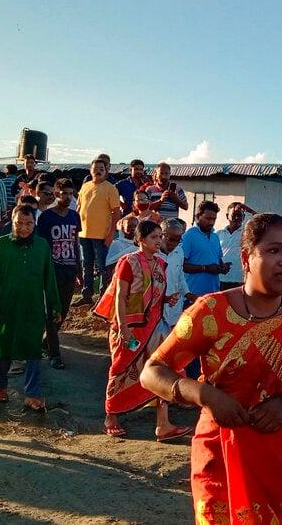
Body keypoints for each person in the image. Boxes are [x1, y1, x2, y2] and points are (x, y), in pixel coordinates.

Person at [141, 213, 282, 523]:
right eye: (273, 251)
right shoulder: (212, 311)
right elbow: (152, 371)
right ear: (246, 258)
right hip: (221, 452)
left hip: (280, 455)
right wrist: (205, 395)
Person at [94, 219, 190, 440]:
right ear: (141, 240)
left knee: (161, 370)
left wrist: (167, 298)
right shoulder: (128, 262)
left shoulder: (160, 264)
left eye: (160, 237)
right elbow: (120, 297)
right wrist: (124, 331)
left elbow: (151, 296)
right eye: (154, 237)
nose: (159, 241)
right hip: (129, 327)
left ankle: (163, 424)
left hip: (155, 327)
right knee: (120, 370)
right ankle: (111, 417)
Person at [0, 204, 61, 411]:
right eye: (19, 223)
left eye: (28, 224)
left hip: (33, 306)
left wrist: (55, 306)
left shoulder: (42, 246)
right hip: (5, 306)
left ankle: (32, 393)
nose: (24, 228)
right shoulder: (0, 245)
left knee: (33, 348)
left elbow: (49, 279)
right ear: (12, 222)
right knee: (0, 347)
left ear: (34, 223)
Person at [36, 178, 83, 370]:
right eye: (64, 193)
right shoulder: (46, 217)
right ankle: (55, 354)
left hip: (70, 268)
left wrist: (80, 269)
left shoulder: (74, 216)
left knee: (63, 310)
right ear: (56, 194)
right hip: (52, 269)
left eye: (71, 194)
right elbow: (41, 245)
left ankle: (47, 341)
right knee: (52, 311)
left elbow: (76, 241)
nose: (67, 197)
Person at [73, 158, 121, 306]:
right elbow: (78, 209)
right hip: (84, 234)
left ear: (106, 171)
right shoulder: (85, 186)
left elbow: (116, 212)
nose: (98, 171)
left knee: (102, 267)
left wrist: (111, 232)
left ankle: (103, 298)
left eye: (101, 168)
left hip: (102, 236)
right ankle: (86, 295)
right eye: (95, 168)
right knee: (87, 266)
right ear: (90, 170)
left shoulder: (111, 188)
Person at [181, 201, 230, 296]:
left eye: (214, 219)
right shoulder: (189, 236)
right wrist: (205, 268)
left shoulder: (215, 236)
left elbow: (218, 259)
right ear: (198, 216)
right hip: (193, 294)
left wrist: (223, 267)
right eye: (208, 219)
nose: (211, 222)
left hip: (213, 293)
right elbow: (181, 266)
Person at [156, 218, 192, 337]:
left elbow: (180, 275)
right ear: (162, 235)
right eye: (171, 239)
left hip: (174, 306)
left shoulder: (179, 252)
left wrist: (188, 294)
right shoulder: (152, 253)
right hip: (155, 306)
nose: (174, 243)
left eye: (178, 240)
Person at [217, 201, 256, 290]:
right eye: (234, 215)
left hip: (240, 282)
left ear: (244, 217)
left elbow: (263, 223)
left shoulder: (248, 233)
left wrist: (248, 209)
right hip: (220, 280)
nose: (237, 218)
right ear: (227, 216)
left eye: (240, 215)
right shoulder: (218, 234)